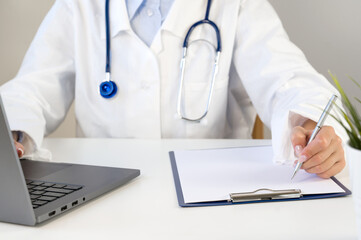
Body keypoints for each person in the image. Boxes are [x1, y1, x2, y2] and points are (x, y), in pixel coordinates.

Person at [1, 0, 346, 178]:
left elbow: (288, 80)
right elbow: (32, 88)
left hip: (210, 202)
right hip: (100, 200)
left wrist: (311, 124)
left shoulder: (237, 5)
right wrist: (12, 135)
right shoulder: (79, 6)